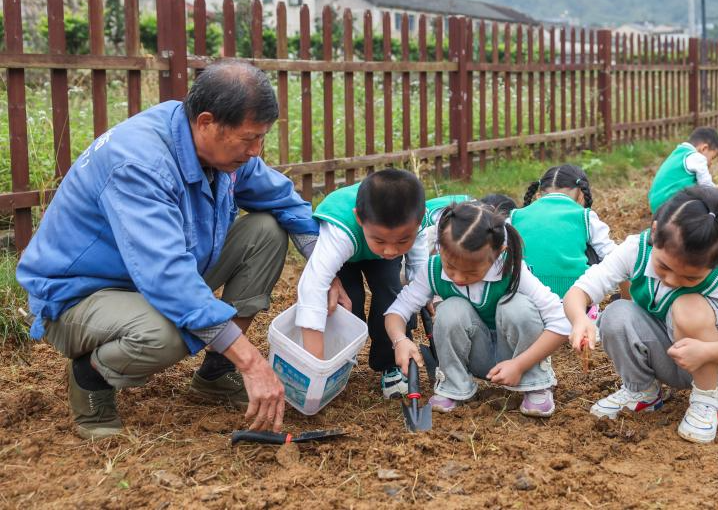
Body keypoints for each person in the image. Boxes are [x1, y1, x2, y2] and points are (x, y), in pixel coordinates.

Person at [16, 60, 316, 440]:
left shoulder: (216, 148)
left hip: (154, 274)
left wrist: (325, 267)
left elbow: (280, 198)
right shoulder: (139, 164)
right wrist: (252, 363)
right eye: (248, 139)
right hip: (80, 294)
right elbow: (167, 278)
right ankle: (89, 379)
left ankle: (214, 376)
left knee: (266, 230)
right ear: (206, 122)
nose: (256, 151)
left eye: (261, 138)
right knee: (169, 333)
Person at [564, 187, 718, 444]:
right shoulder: (635, 250)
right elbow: (580, 290)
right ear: (656, 231)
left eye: (690, 277)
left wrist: (707, 352)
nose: (671, 280)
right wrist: (580, 319)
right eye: (664, 267)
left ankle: (706, 399)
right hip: (665, 357)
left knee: (687, 305)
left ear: (714, 263)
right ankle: (643, 392)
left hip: (713, 362)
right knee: (615, 313)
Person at [384, 201, 569, 417]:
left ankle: (535, 383)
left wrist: (520, 364)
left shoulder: (512, 269)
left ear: (498, 252)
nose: (459, 278)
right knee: (450, 308)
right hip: (476, 355)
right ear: (439, 247)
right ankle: (455, 386)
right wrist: (400, 340)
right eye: (451, 267)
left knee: (517, 307)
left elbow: (562, 321)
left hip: (517, 356)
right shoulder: (432, 270)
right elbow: (397, 311)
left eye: (472, 271)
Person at [295, 169, 427, 398]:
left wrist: (424, 289)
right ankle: (339, 361)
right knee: (346, 301)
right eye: (381, 240)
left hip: (372, 252)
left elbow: (419, 261)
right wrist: (314, 365)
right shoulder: (340, 230)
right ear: (359, 218)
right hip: (347, 254)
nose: (391, 250)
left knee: (392, 292)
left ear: (418, 220)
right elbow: (312, 287)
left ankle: (390, 364)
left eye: (403, 240)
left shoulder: (411, 223)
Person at [508, 165, 616, 299]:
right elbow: (613, 257)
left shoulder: (515, 216)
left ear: (539, 193)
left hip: (525, 295)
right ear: (581, 194)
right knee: (591, 246)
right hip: (573, 298)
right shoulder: (585, 216)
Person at [647, 127, 718, 213]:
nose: (711, 163)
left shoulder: (679, 153)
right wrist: (717, 192)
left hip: (657, 202)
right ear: (704, 148)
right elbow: (706, 185)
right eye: (712, 158)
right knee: (704, 207)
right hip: (670, 203)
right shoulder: (697, 157)